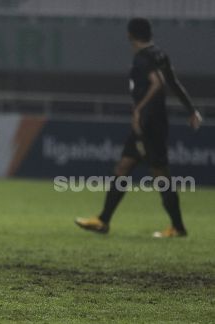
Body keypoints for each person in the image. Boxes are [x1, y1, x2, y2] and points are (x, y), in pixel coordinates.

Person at [75, 18, 203, 238]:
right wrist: (191, 109)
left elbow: (157, 84)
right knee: (124, 167)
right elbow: (173, 82)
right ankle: (103, 220)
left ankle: (178, 227)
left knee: (160, 175)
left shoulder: (142, 59)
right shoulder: (159, 54)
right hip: (153, 122)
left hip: (149, 124)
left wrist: (138, 111)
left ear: (130, 35)